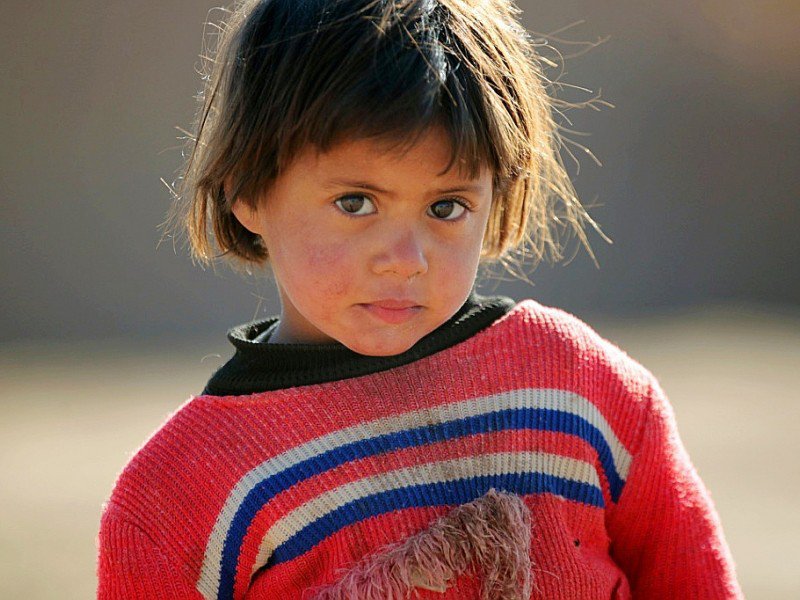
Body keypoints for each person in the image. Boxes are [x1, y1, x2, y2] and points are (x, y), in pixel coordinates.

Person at [97, 0, 743, 598]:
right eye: (356, 203)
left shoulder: (580, 394)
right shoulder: (178, 496)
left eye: (446, 207)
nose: (405, 259)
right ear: (247, 189)